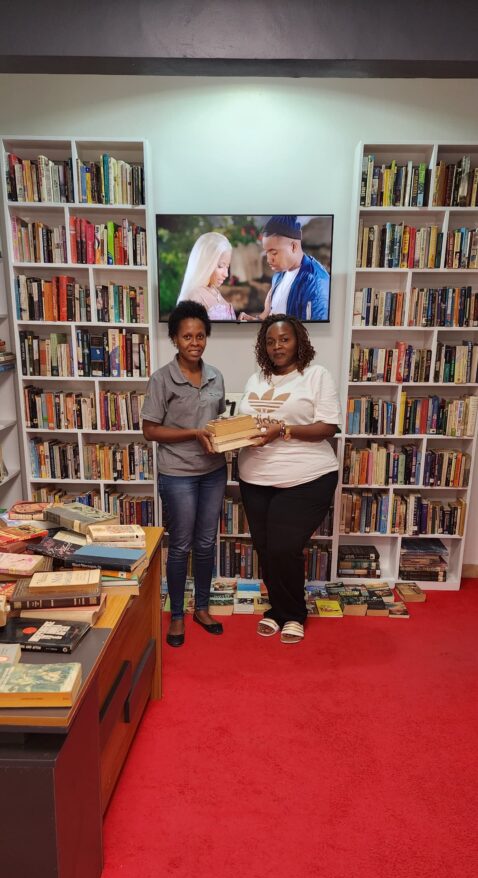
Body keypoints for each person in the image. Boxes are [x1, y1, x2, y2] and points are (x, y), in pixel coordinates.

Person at [238, 314, 340, 644]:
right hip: (255, 478)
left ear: (298, 341)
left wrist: (283, 430)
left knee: (284, 548)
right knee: (266, 549)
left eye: (284, 339)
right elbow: (245, 423)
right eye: (270, 341)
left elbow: (328, 427)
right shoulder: (256, 379)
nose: (277, 346)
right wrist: (226, 436)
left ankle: (294, 613)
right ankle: (277, 609)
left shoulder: (316, 375)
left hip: (306, 478)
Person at [142, 300, 227, 647]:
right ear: (175, 339)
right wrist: (193, 433)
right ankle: (177, 614)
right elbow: (150, 430)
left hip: (213, 472)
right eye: (187, 336)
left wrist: (228, 435)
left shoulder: (216, 375)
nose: (195, 342)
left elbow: (217, 422)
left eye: (200, 335)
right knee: (180, 545)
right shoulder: (162, 379)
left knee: (206, 543)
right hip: (177, 473)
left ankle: (202, 608)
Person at [238, 215, 330, 322]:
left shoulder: (315, 282)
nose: (268, 260)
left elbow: (313, 328)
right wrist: (255, 320)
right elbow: (271, 315)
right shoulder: (279, 275)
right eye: (266, 253)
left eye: (274, 253)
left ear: (293, 246)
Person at [177, 232, 236, 321]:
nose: (226, 274)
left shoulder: (214, 291)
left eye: (227, 267)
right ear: (206, 263)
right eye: (220, 266)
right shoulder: (195, 296)